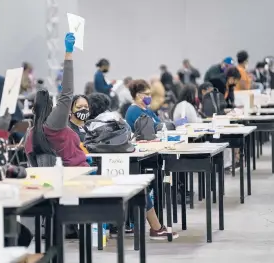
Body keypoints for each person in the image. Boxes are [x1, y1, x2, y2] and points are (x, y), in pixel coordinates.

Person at [86, 92, 179, 240]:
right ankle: (155, 228)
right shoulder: (116, 118)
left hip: (100, 170)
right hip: (119, 166)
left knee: (137, 187)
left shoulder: (90, 126)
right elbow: (129, 137)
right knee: (141, 187)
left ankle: (118, 225)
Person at [25, 33, 89, 167]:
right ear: (50, 105)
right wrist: (68, 53)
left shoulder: (31, 134)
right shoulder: (54, 124)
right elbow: (67, 93)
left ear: (33, 109)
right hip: (75, 173)